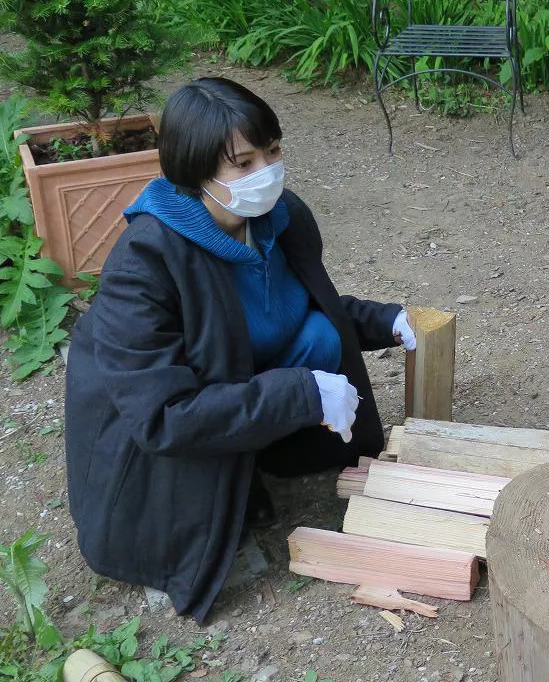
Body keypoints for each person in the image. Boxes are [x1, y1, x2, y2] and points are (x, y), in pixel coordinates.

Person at [64, 77, 417, 625]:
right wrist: (300, 393)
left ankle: (272, 456)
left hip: (229, 374)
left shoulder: (280, 216)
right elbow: (162, 416)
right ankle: (215, 505)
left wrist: (382, 319)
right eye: (244, 163)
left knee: (322, 335)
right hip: (155, 438)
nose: (266, 173)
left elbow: (298, 303)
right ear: (195, 171)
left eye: (272, 152)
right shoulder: (146, 261)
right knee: (247, 413)